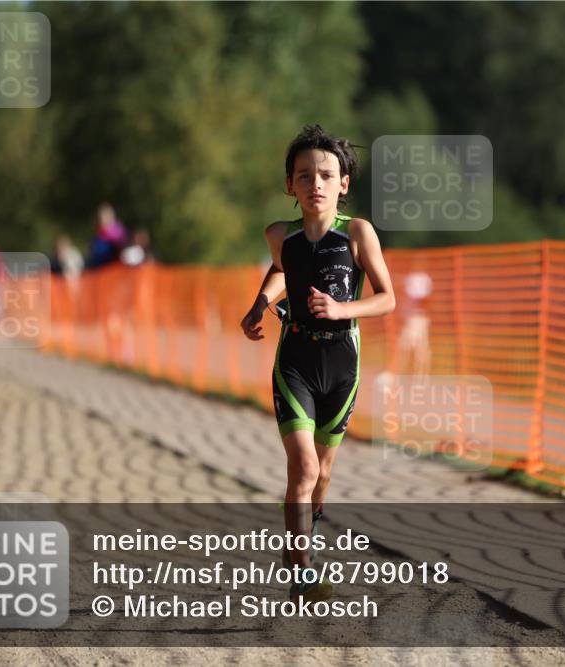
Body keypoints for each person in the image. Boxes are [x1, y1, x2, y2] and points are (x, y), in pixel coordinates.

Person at [240, 125, 395, 602]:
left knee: (323, 474)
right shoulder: (278, 235)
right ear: (290, 185)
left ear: (343, 184)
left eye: (326, 175)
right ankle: (304, 571)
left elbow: (387, 299)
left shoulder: (357, 234)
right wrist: (259, 303)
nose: (316, 185)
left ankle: (301, 539)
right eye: (304, 176)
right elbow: (282, 270)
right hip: (296, 360)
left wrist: (342, 309)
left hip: (342, 364)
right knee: (303, 468)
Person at [87, 203, 127, 269]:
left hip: (116, 272)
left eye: (105, 217)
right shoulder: (97, 238)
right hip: (100, 273)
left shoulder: (120, 235)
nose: (102, 221)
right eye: (100, 218)